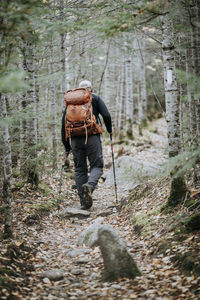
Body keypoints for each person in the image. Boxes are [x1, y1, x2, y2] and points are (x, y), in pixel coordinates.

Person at [61, 80, 112, 210]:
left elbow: (63, 125)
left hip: (74, 139)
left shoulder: (71, 102)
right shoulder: (95, 98)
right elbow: (106, 115)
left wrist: (67, 146)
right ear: (90, 89)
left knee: (79, 169)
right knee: (97, 165)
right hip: (92, 137)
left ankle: (84, 202)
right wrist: (110, 130)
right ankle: (90, 186)